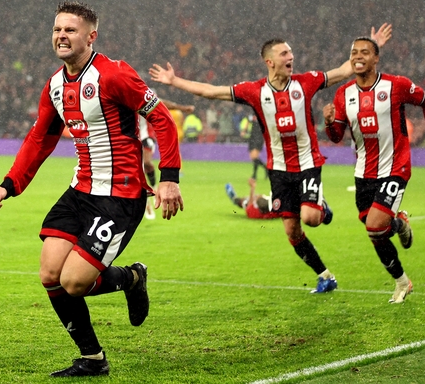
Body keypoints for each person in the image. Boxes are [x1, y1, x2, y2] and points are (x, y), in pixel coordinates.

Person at [0, 2, 183, 378]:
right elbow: (39, 138)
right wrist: (8, 186)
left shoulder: (114, 75)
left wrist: (169, 177)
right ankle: (92, 358)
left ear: (91, 36)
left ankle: (132, 277)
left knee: (74, 282)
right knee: (49, 274)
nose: (61, 35)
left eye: (70, 30)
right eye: (57, 29)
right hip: (80, 191)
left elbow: (161, 117)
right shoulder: (55, 85)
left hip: (120, 196)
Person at [150, 23, 392, 294]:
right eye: (285, 54)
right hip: (278, 170)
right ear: (270, 61)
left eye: (291, 53)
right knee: (292, 231)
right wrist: (175, 81)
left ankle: (321, 207)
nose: (291, 58)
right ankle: (325, 276)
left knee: (311, 218)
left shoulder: (306, 82)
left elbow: (343, 70)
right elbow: (211, 91)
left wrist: (371, 46)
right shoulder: (254, 91)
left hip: (308, 163)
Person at [323, 36, 425, 303]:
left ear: (376, 58)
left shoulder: (396, 85)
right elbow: (335, 136)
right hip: (363, 171)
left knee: (375, 226)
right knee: (375, 232)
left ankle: (401, 275)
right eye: (354, 52)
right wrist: (329, 122)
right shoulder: (344, 94)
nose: (358, 56)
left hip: (395, 166)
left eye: (364, 52)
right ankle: (402, 268)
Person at [140, 99, 194, 220]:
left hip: (146, 137)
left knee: (147, 163)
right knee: (138, 170)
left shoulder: (139, 95)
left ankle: (153, 188)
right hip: (129, 138)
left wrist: (183, 108)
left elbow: (161, 103)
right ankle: (144, 201)